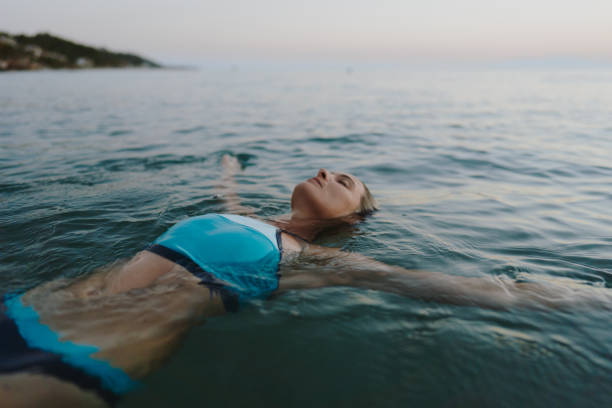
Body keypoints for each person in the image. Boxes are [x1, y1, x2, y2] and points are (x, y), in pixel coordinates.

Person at [1, 156, 610, 407]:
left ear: (352, 218)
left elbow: (471, 291)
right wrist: (230, 168)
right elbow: (227, 199)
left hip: (90, 344)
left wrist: (590, 296)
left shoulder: (305, 261)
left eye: (344, 181)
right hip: (36, 305)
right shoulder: (251, 220)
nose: (325, 171)